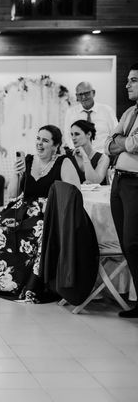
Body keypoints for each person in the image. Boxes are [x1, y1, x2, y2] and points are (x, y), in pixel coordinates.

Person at [0, 125, 80, 303]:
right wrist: (17, 174)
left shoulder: (64, 162)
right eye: (38, 139)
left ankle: (33, 284)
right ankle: (10, 280)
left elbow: (74, 192)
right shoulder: (29, 160)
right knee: (3, 222)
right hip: (25, 207)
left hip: (49, 211)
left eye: (45, 140)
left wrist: (52, 205)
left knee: (37, 227)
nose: (39, 143)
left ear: (55, 146)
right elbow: (12, 193)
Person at [106, 63, 138, 318]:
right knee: (126, 243)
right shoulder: (129, 113)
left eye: (133, 80)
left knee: (133, 241)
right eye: (128, 80)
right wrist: (122, 143)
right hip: (119, 181)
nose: (127, 84)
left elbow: (133, 143)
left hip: (136, 182)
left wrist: (123, 142)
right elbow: (109, 143)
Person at [63, 81, 117, 152]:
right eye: (80, 94)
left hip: (104, 155)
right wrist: (77, 151)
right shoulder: (71, 112)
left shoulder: (107, 110)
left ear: (93, 93)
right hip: (80, 155)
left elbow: (115, 134)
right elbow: (67, 136)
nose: (84, 97)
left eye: (86, 93)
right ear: (77, 96)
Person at [69, 119, 109, 184]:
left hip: (96, 194)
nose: (73, 138)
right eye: (72, 134)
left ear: (88, 134)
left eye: (77, 134)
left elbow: (94, 182)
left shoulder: (103, 158)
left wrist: (85, 157)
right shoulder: (68, 156)